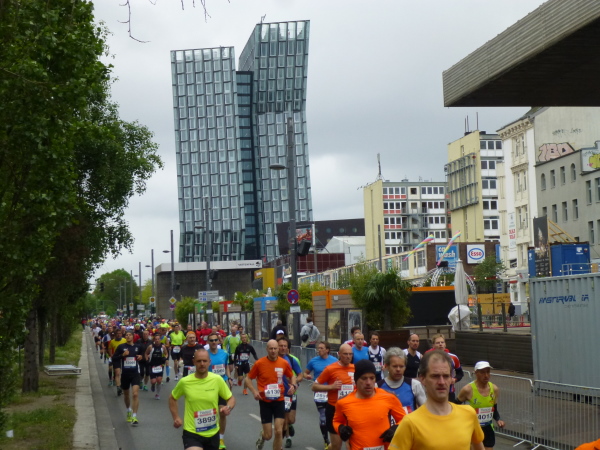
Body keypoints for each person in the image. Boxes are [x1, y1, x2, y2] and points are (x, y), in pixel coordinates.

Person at [388, 350, 484, 450]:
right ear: (423, 379)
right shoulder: (410, 423)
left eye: (446, 376)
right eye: (435, 376)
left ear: (451, 379)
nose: (441, 382)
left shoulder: (468, 413)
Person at [169, 348, 236, 450]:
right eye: (199, 361)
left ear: (209, 362)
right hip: (192, 432)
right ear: (194, 362)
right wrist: (176, 417)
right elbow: (172, 398)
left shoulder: (217, 379)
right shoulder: (185, 382)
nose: (202, 364)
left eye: (205, 361)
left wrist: (228, 407)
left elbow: (230, 398)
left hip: (213, 433)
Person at [333, 359, 406, 450]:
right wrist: (340, 428)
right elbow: (336, 421)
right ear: (356, 380)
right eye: (364, 378)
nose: (368, 383)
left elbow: (404, 419)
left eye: (372, 378)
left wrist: (395, 429)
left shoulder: (389, 397)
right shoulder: (343, 402)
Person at [246, 339, 297, 450]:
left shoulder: (284, 363)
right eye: (271, 349)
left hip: (279, 400)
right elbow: (248, 378)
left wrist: (293, 385)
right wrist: (254, 391)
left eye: (275, 348)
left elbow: (291, 375)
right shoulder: (259, 363)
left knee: (279, 431)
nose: (273, 351)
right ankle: (263, 436)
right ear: (267, 349)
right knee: (268, 435)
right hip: (265, 402)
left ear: (278, 349)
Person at [312, 343, 355, 450]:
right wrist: (331, 387)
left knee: (352, 444)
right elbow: (314, 386)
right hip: (334, 410)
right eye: (345, 354)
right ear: (339, 354)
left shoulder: (355, 368)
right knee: (336, 445)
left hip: (351, 410)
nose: (348, 356)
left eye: (350, 354)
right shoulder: (330, 369)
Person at [457, 361, 505, 450]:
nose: (486, 375)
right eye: (482, 372)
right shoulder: (468, 390)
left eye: (488, 372)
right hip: (473, 429)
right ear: (476, 373)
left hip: (488, 428)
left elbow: (494, 409)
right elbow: (455, 406)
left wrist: (498, 419)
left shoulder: (494, 389)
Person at [303, 341, 338, 448]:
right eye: (318, 348)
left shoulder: (334, 361)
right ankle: (326, 439)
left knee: (332, 416)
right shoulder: (313, 361)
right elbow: (305, 372)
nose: (319, 350)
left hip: (332, 391)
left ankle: (333, 437)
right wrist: (307, 376)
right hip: (319, 391)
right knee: (323, 416)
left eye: (322, 348)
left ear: (327, 350)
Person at [378, 347, 426, 414]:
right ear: (387, 366)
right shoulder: (377, 387)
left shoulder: (414, 385)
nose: (398, 369)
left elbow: (426, 410)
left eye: (401, 366)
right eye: (395, 366)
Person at [207, 332, 233, 449]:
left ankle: (221, 439)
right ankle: (210, 436)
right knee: (211, 413)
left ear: (218, 341)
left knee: (222, 412)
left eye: (215, 340)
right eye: (211, 340)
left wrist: (229, 378)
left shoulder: (224, 354)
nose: (213, 342)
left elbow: (225, 367)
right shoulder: (205, 355)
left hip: (222, 385)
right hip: (209, 387)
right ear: (208, 342)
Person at [112, 330, 144, 426]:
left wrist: (141, 357)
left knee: (135, 394)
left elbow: (143, 356)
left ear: (133, 337)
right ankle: (128, 410)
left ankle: (134, 416)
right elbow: (114, 358)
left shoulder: (138, 347)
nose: (128, 336)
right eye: (126, 335)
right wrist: (122, 355)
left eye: (130, 335)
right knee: (126, 395)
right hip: (125, 374)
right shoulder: (121, 347)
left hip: (135, 373)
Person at [276, 337, 303, 449]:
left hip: (290, 393)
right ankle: (288, 438)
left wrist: (294, 382)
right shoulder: (273, 359)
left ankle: (289, 427)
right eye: (280, 346)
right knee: (283, 418)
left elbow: (300, 375)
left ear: (288, 348)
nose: (283, 348)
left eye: (285, 346)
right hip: (278, 394)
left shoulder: (292, 360)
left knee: (291, 419)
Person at [426, 334, 463, 402]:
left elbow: (460, 373)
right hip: (434, 391)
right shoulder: (428, 358)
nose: (440, 344)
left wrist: (454, 379)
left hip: (449, 392)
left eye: (442, 342)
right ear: (433, 345)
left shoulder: (453, 357)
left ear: (445, 344)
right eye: (438, 343)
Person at [145, 332, 168, 400]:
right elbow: (146, 353)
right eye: (156, 339)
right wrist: (147, 359)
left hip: (159, 365)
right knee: (153, 381)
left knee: (159, 380)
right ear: (154, 340)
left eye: (158, 339)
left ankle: (157, 394)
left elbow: (166, 354)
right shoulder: (151, 347)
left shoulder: (163, 347)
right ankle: (152, 385)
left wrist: (165, 358)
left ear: (160, 340)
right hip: (152, 365)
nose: (157, 340)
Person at [108, 328, 127, 396]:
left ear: (121, 334)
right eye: (117, 334)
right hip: (116, 358)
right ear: (115, 335)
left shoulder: (124, 340)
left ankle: (121, 385)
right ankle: (118, 387)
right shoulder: (112, 341)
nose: (118, 335)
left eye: (120, 333)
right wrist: (111, 355)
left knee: (123, 374)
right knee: (117, 373)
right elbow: (109, 348)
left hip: (124, 358)